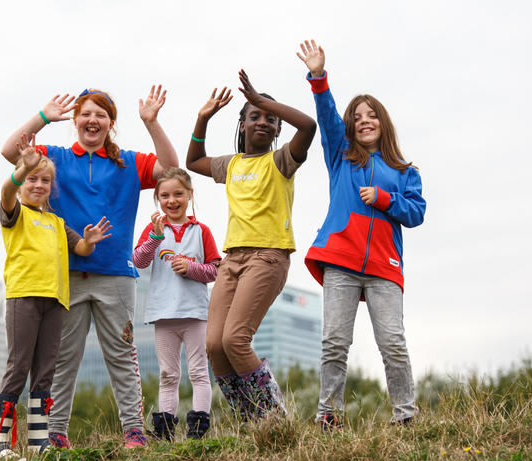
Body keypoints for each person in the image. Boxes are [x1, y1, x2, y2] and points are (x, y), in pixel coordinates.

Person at [1, 86, 178, 448]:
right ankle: (54, 433)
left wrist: (152, 122)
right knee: (63, 360)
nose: (92, 120)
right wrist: (44, 117)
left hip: (116, 275)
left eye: (100, 115)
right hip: (66, 279)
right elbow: (9, 152)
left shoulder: (129, 162)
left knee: (122, 356)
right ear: (76, 120)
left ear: (110, 123)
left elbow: (172, 169)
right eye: (85, 114)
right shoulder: (57, 159)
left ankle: (133, 430)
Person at [296, 39, 426, 430]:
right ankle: (328, 416)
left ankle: (406, 417)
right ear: (351, 127)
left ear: (383, 122)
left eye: (372, 115)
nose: (364, 120)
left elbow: (417, 212)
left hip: (385, 267)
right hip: (341, 260)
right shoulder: (340, 155)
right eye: (358, 117)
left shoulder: (405, 171)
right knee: (335, 343)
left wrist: (386, 199)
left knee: (393, 345)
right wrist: (318, 76)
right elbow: (327, 115)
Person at [186, 70, 317, 420]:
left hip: (268, 257)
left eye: (270, 119)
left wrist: (261, 99)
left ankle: (273, 419)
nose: (263, 121)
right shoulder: (231, 165)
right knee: (214, 345)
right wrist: (203, 118)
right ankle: (249, 418)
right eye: (254, 116)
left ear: (277, 130)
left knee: (235, 340)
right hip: (232, 260)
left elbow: (308, 127)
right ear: (242, 125)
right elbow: (193, 161)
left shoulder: (282, 161)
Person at [0, 133, 111, 458]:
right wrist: (20, 170)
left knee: (45, 373)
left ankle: (39, 441)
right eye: (32, 179)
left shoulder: (56, 222)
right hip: (24, 298)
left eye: (45, 180)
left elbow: (80, 248)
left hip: (56, 302)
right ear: (22, 181)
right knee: (18, 368)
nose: (38, 185)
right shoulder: (15, 213)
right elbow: (5, 191)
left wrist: (90, 239)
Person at [133, 167, 221, 440]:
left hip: (195, 314)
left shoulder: (201, 231)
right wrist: (156, 237)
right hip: (163, 314)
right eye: (165, 195)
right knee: (168, 375)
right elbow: (138, 261)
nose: (172, 201)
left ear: (190, 195)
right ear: (158, 198)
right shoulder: (154, 229)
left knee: (198, 372)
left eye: (178, 194)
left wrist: (191, 268)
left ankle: (197, 432)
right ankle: (165, 432)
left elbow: (216, 270)